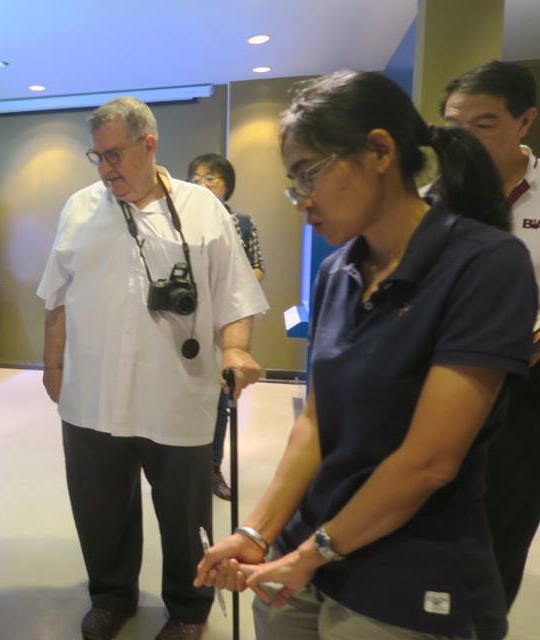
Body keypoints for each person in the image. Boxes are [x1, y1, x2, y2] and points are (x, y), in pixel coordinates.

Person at [194, 71, 537, 640]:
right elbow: (316, 422)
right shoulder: (338, 271)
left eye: (310, 173)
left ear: (380, 151)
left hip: (412, 567)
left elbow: (429, 461)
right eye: (294, 182)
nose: (302, 201)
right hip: (308, 545)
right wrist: (257, 533)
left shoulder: (485, 263)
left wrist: (309, 556)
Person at [38, 97, 268, 640]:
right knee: (99, 507)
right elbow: (57, 296)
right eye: (97, 157)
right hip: (93, 393)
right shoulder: (79, 207)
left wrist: (235, 349)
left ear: (149, 144)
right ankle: (111, 596)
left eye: (114, 155)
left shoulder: (202, 208)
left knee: (184, 513)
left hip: (177, 392)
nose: (105, 168)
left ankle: (189, 607)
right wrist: (53, 364)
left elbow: (234, 294)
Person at [440, 59, 540, 609]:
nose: (465, 140)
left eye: (483, 125)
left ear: (524, 121)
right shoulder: (431, 199)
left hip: (526, 396)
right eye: (454, 126)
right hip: (444, 382)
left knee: (504, 525)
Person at [188, 153, 265, 500]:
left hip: (228, 324)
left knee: (222, 397)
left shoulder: (242, 223)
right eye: (195, 179)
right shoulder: (180, 222)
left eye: (211, 178)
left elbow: (258, 268)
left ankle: (212, 467)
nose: (202, 185)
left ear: (227, 184)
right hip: (189, 323)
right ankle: (184, 465)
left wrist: (230, 280)